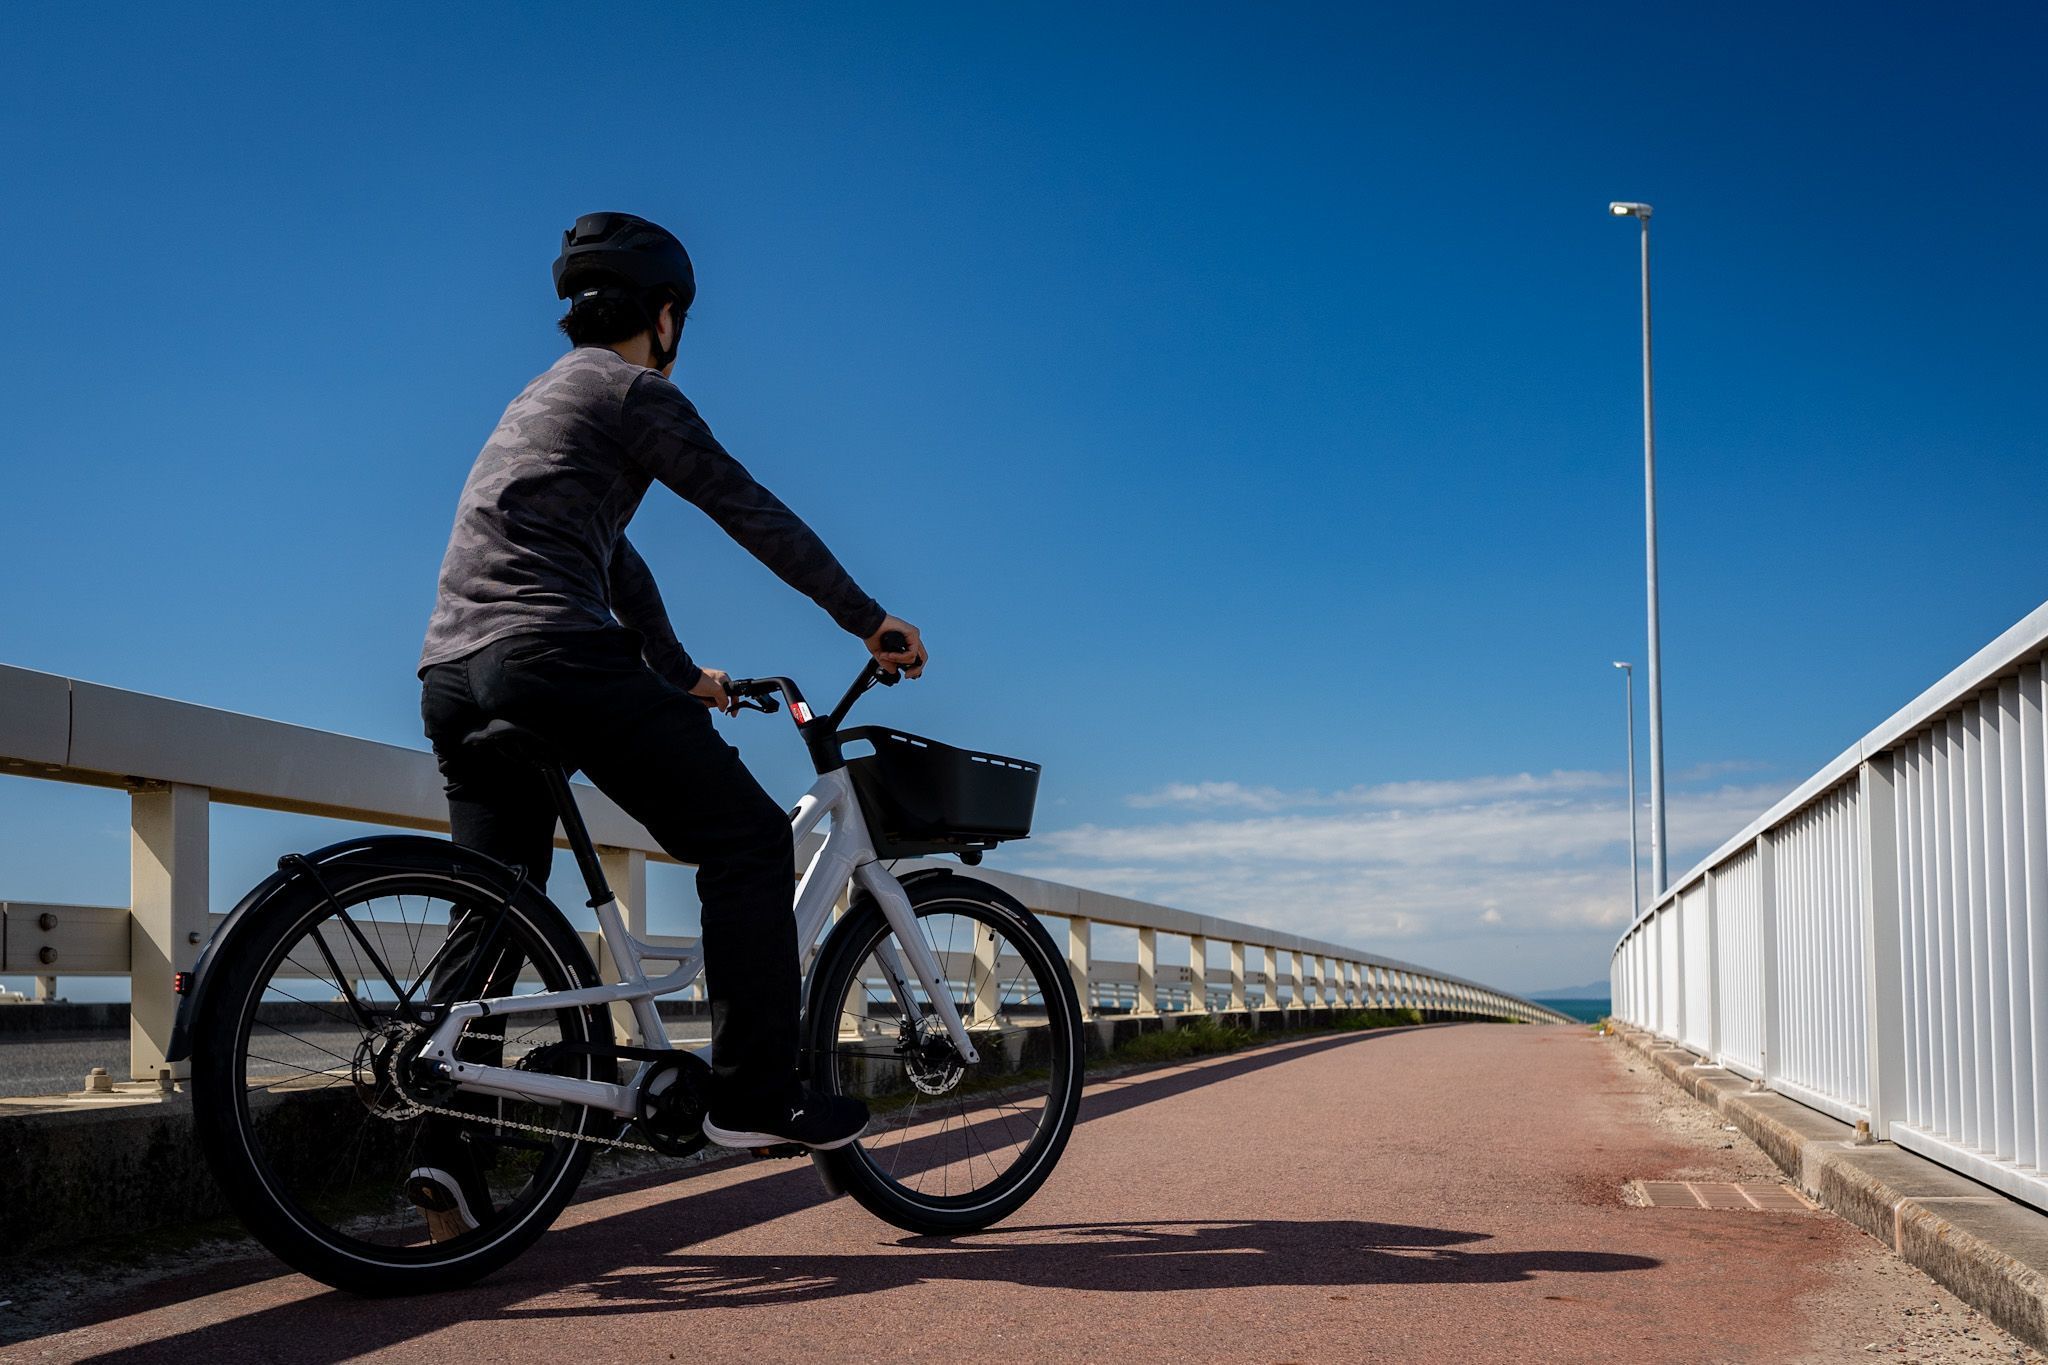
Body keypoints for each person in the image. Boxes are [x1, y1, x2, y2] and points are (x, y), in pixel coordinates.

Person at [411, 211, 925, 1238]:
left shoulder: (539, 399)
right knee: (741, 839)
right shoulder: (634, 389)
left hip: (452, 670)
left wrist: (683, 675)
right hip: (554, 654)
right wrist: (868, 620)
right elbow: (746, 507)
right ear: (665, 313)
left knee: (499, 905)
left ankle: (439, 1149)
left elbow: (612, 556)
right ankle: (753, 1092)